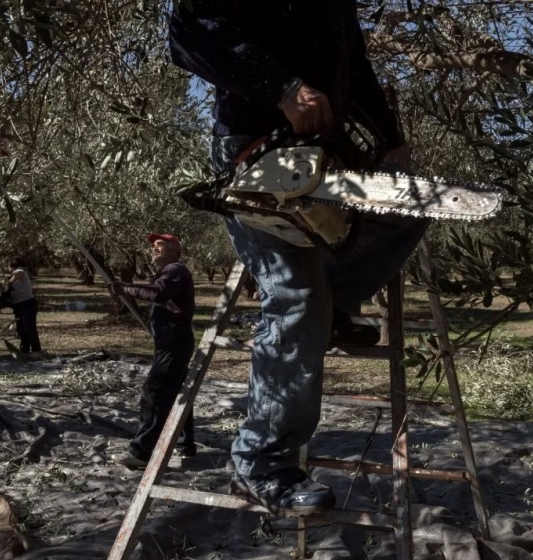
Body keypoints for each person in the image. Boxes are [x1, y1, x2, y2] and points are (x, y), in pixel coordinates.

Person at [168, 1, 429, 514]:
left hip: (324, 147)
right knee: (297, 298)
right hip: (258, 149)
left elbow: (353, 62)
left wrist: (389, 136)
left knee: (407, 210)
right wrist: (283, 89)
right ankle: (261, 461)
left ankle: (339, 306)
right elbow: (188, 31)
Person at [109, 233, 197, 469]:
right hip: (172, 342)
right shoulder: (169, 272)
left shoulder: (175, 270)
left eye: (161, 246)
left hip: (173, 343)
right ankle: (185, 444)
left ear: (175, 250)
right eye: (153, 247)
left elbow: (158, 293)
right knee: (179, 392)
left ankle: (141, 452)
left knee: (155, 393)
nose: (154, 249)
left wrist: (126, 289)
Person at [7, 257, 42, 355]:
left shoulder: (20, 271)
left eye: (8, 267)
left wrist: (10, 281)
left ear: (12, 266)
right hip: (19, 305)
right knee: (21, 329)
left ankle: (36, 350)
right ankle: (24, 350)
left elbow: (18, 274)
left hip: (27, 304)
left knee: (29, 328)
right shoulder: (18, 274)